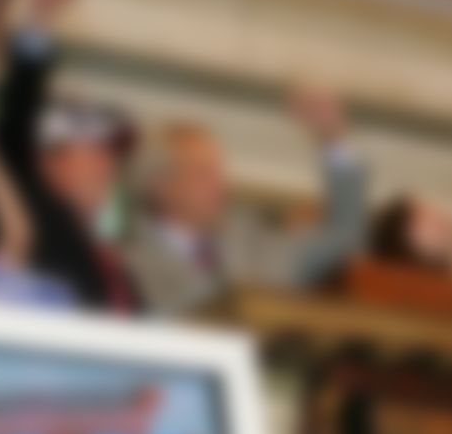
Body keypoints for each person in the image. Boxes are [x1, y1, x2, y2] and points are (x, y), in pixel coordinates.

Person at [124, 85, 367, 316]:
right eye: (202, 173)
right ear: (160, 185)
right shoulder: (126, 262)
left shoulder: (255, 247)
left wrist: (333, 140)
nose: (222, 185)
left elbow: (343, 234)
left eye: (219, 172)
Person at [0, 0, 144, 314]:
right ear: (45, 161)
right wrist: (40, 19)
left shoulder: (114, 263)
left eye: (110, 154)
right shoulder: (33, 213)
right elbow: (13, 127)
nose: (107, 165)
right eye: (93, 151)